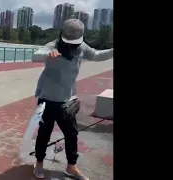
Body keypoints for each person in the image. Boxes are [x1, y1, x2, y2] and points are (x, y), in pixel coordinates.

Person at [31, 19, 113, 180]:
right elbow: (35, 55)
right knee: (44, 133)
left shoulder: (81, 47)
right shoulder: (54, 45)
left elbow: (96, 55)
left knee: (71, 134)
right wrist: (48, 54)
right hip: (47, 99)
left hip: (67, 100)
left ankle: (71, 167)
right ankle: (39, 163)